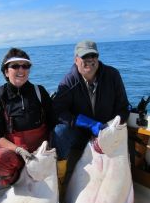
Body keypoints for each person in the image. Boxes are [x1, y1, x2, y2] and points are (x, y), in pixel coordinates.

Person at [52, 39, 130, 191]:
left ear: (98, 57)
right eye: (84, 56)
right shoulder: (69, 81)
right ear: (76, 60)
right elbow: (58, 111)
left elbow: (123, 107)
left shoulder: (112, 75)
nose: (89, 60)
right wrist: (84, 122)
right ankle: (60, 180)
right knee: (59, 132)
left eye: (93, 56)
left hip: (107, 129)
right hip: (80, 130)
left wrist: (111, 126)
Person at [0, 47, 56, 186]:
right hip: (17, 153)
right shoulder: (0, 99)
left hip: (43, 150)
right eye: (15, 66)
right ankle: (15, 182)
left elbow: (53, 121)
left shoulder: (40, 91)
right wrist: (18, 150)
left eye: (25, 66)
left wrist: (49, 146)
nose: (21, 70)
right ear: (6, 71)